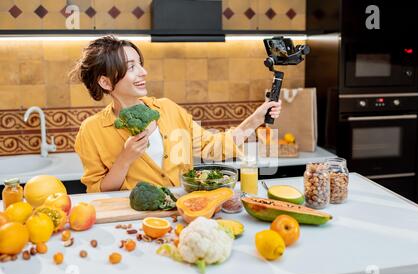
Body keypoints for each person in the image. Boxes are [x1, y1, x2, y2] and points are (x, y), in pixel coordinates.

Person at [71, 35, 282, 193]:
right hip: (134, 221)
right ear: (105, 81)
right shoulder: (91, 131)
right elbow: (97, 191)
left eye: (140, 64)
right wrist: (124, 160)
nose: (143, 72)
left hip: (184, 212)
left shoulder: (168, 109)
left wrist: (256, 119)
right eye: (131, 67)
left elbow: (212, 148)